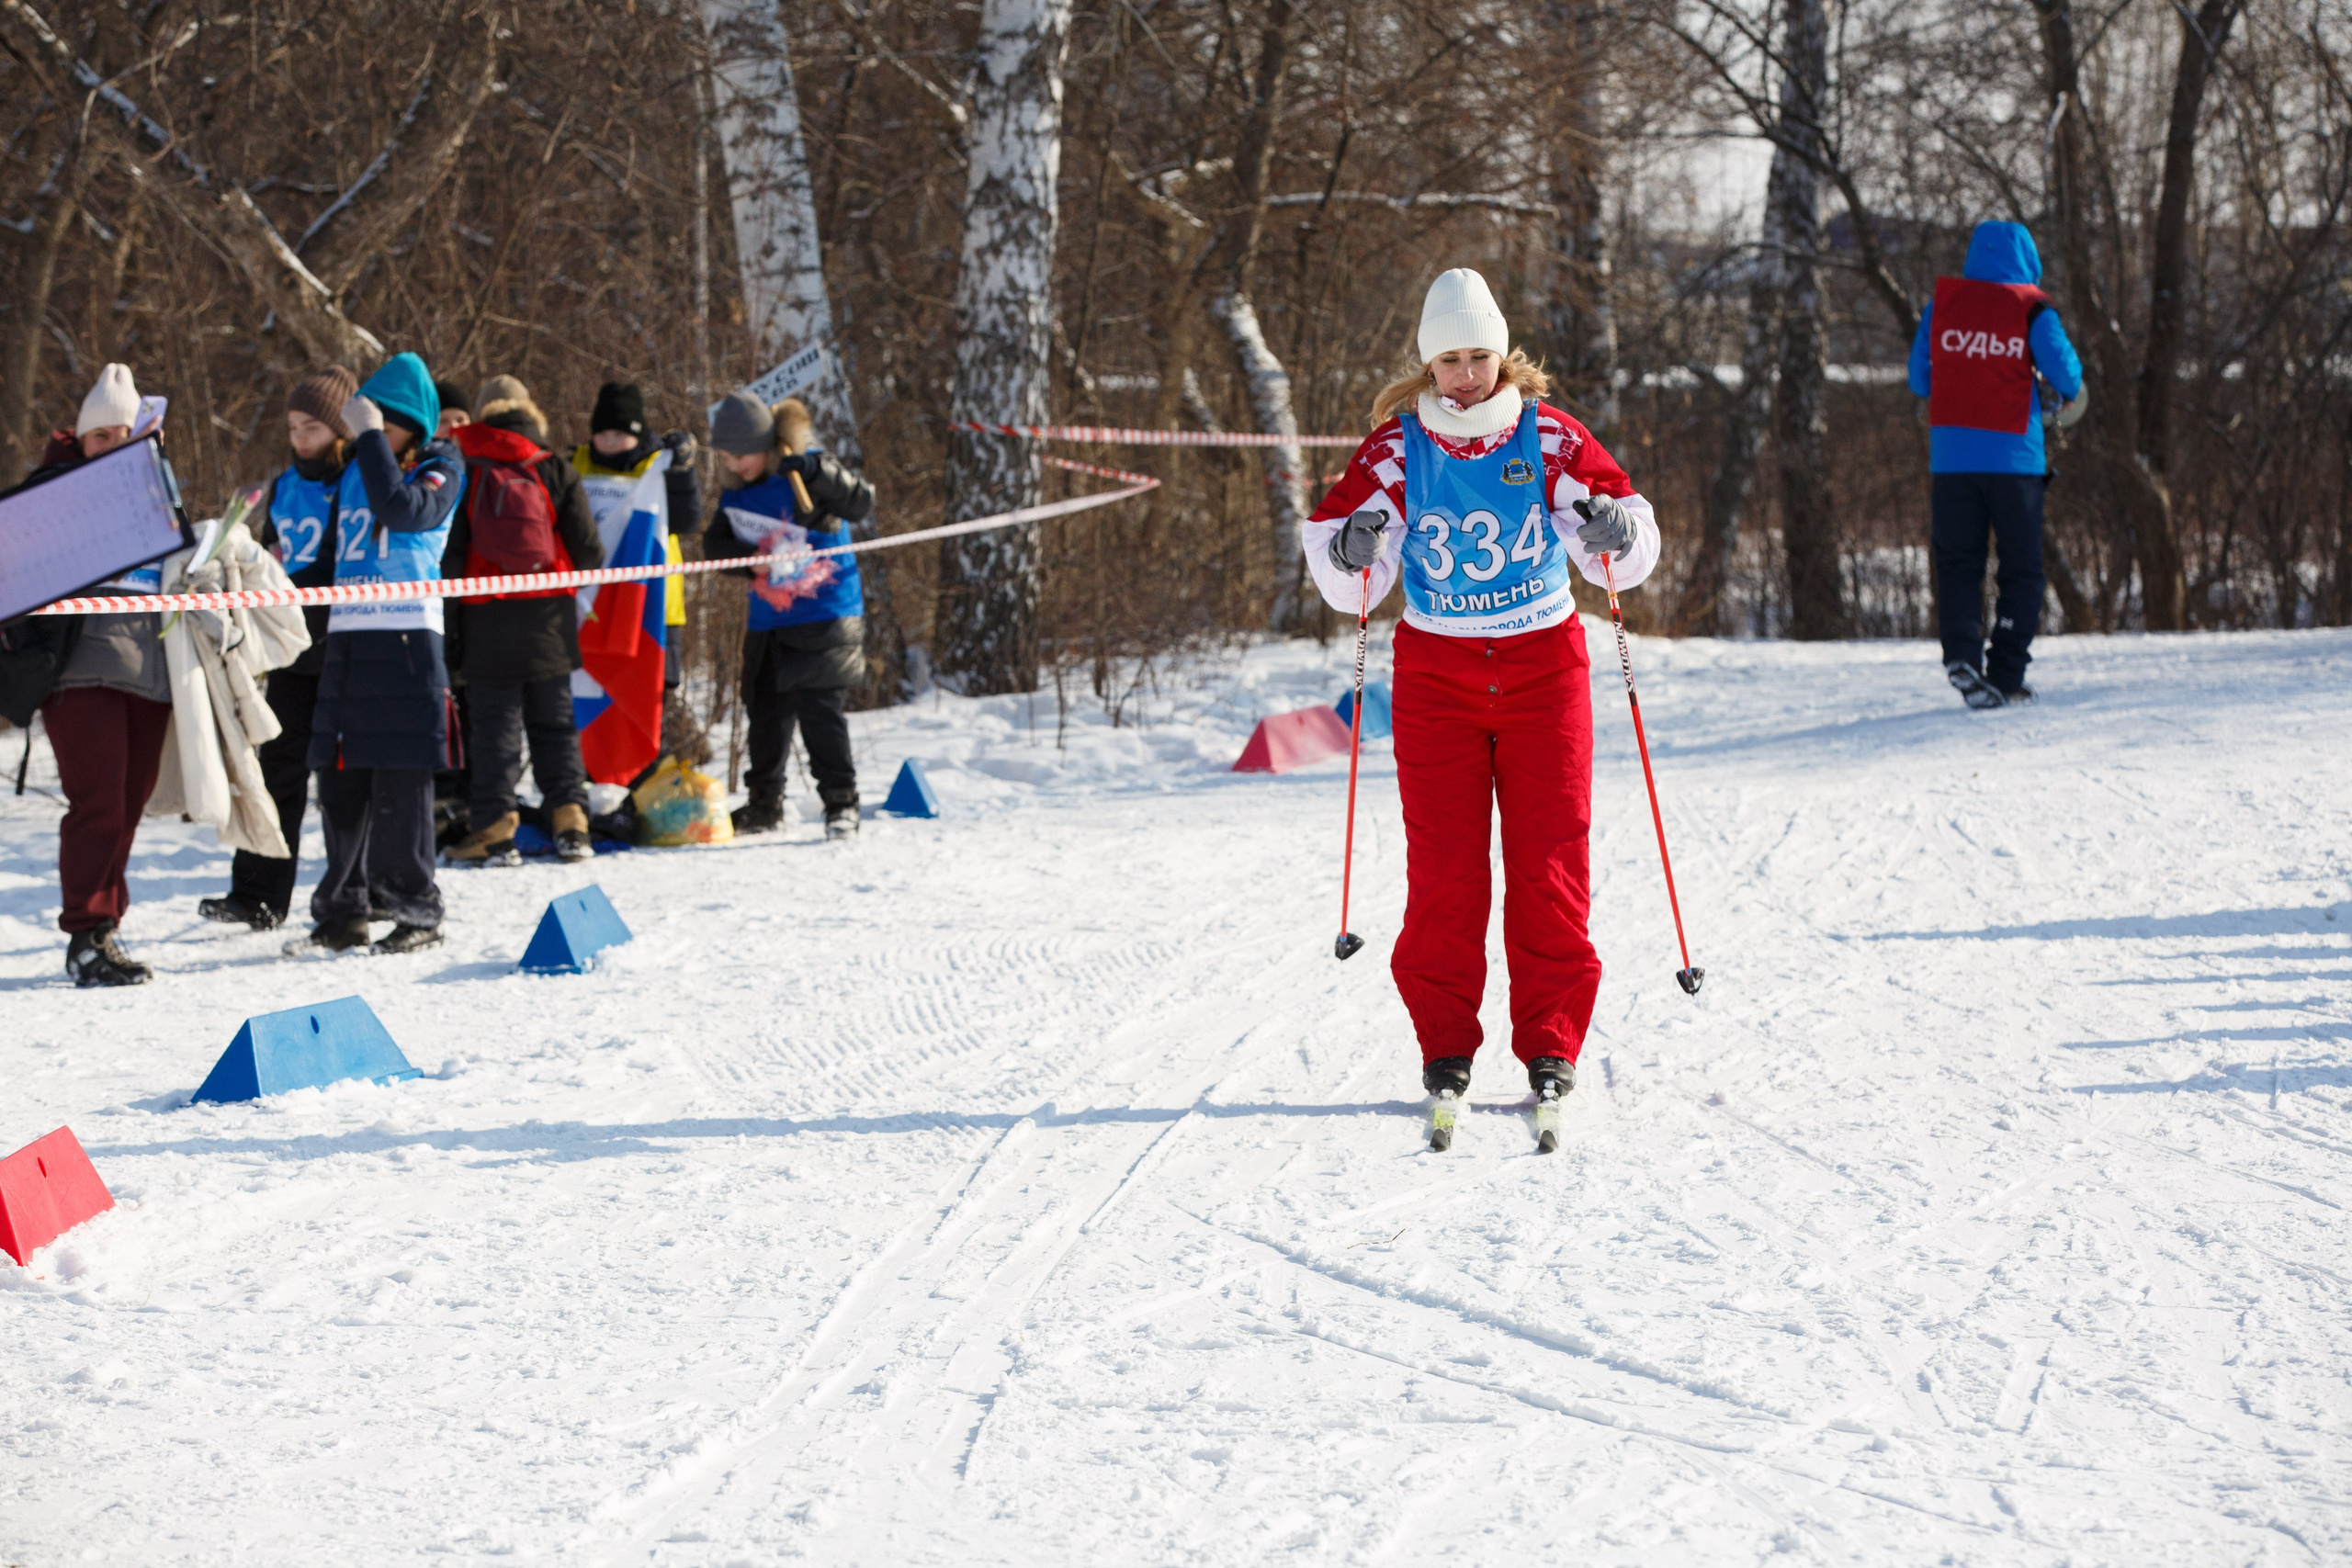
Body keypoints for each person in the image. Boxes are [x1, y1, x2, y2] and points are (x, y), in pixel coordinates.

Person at [1302, 268, 1662, 1122]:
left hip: (1544, 670)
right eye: (1450, 359)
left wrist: (1620, 532)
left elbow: (1626, 532)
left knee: (1549, 860)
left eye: (1480, 356)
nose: (1466, 374)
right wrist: (1350, 547)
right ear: (1428, 364)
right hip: (1438, 678)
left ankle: (1550, 1038)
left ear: (1503, 356)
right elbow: (1339, 556)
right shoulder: (1396, 450)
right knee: (1446, 871)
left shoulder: (1549, 437)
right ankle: (1445, 1041)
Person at [292, 352, 465, 955]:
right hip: (347, 641)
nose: (374, 435)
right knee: (338, 780)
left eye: (384, 423)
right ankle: (343, 911)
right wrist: (264, 578)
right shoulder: (359, 470)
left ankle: (416, 907)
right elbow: (329, 557)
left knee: (401, 783)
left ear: (411, 424)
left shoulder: (441, 465)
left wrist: (367, 437)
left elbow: (404, 510)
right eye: (369, 423)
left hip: (406, 644)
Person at [7, 366, 171, 984]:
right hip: (78, 670)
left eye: (122, 434)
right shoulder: (48, 492)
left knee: (128, 806)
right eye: (100, 435)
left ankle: (107, 928)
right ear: (81, 438)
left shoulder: (156, 491)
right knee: (97, 801)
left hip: (148, 669)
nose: (111, 445)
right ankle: (85, 933)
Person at [200, 366, 360, 930]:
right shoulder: (284, 485)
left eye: (312, 427)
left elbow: (345, 556)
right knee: (277, 771)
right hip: (290, 648)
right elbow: (267, 553)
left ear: (340, 429)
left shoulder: (355, 480)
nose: (300, 438)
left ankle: (355, 897)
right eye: (293, 426)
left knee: (345, 779)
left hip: (344, 643)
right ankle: (258, 896)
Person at [1907, 220, 2086, 710]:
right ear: (2027, 259)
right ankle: (2007, 671)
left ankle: (1963, 655)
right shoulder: (2033, 309)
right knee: (2021, 567)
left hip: (1951, 461)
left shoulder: (1940, 308)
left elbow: (1919, 380)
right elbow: (2068, 379)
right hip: (2013, 459)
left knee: (1959, 563)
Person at [440, 378, 605, 864]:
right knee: (555, 725)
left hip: (485, 616)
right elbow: (590, 553)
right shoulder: (554, 465)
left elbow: (451, 558)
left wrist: (450, 634)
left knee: (495, 731)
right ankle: (571, 824)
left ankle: (494, 829)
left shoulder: (464, 466)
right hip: (549, 616)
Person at [700, 392, 874, 840]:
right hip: (769, 617)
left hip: (825, 610)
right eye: (727, 457)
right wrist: (748, 560)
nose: (737, 465)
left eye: (744, 455)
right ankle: (764, 804)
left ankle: (841, 802)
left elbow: (860, 502)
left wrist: (818, 472)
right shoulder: (736, 492)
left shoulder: (805, 469)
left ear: (769, 443)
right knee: (764, 712)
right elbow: (714, 546)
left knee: (820, 711)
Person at [577, 380, 701, 702]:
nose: (609, 442)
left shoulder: (658, 466)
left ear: (636, 433)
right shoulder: (575, 464)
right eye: (602, 434)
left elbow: (686, 520)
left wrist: (681, 472)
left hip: (653, 606)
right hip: (589, 604)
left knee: (647, 701)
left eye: (619, 434)